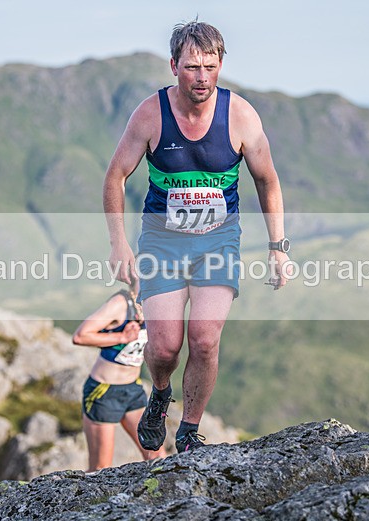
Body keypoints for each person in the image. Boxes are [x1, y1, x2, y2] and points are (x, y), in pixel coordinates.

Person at [102, 19, 291, 454]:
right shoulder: (150, 115)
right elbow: (115, 176)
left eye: (209, 65)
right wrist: (119, 243)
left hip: (217, 240)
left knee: (205, 337)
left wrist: (278, 248)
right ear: (173, 66)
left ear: (221, 64)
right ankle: (161, 393)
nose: (201, 76)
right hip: (162, 242)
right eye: (191, 66)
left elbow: (268, 180)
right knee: (166, 348)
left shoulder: (241, 116)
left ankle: (188, 430)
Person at [72, 282, 166, 471]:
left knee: (157, 457)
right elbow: (81, 336)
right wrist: (121, 338)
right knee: (100, 468)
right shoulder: (120, 304)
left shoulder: (154, 304)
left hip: (133, 390)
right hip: (104, 392)